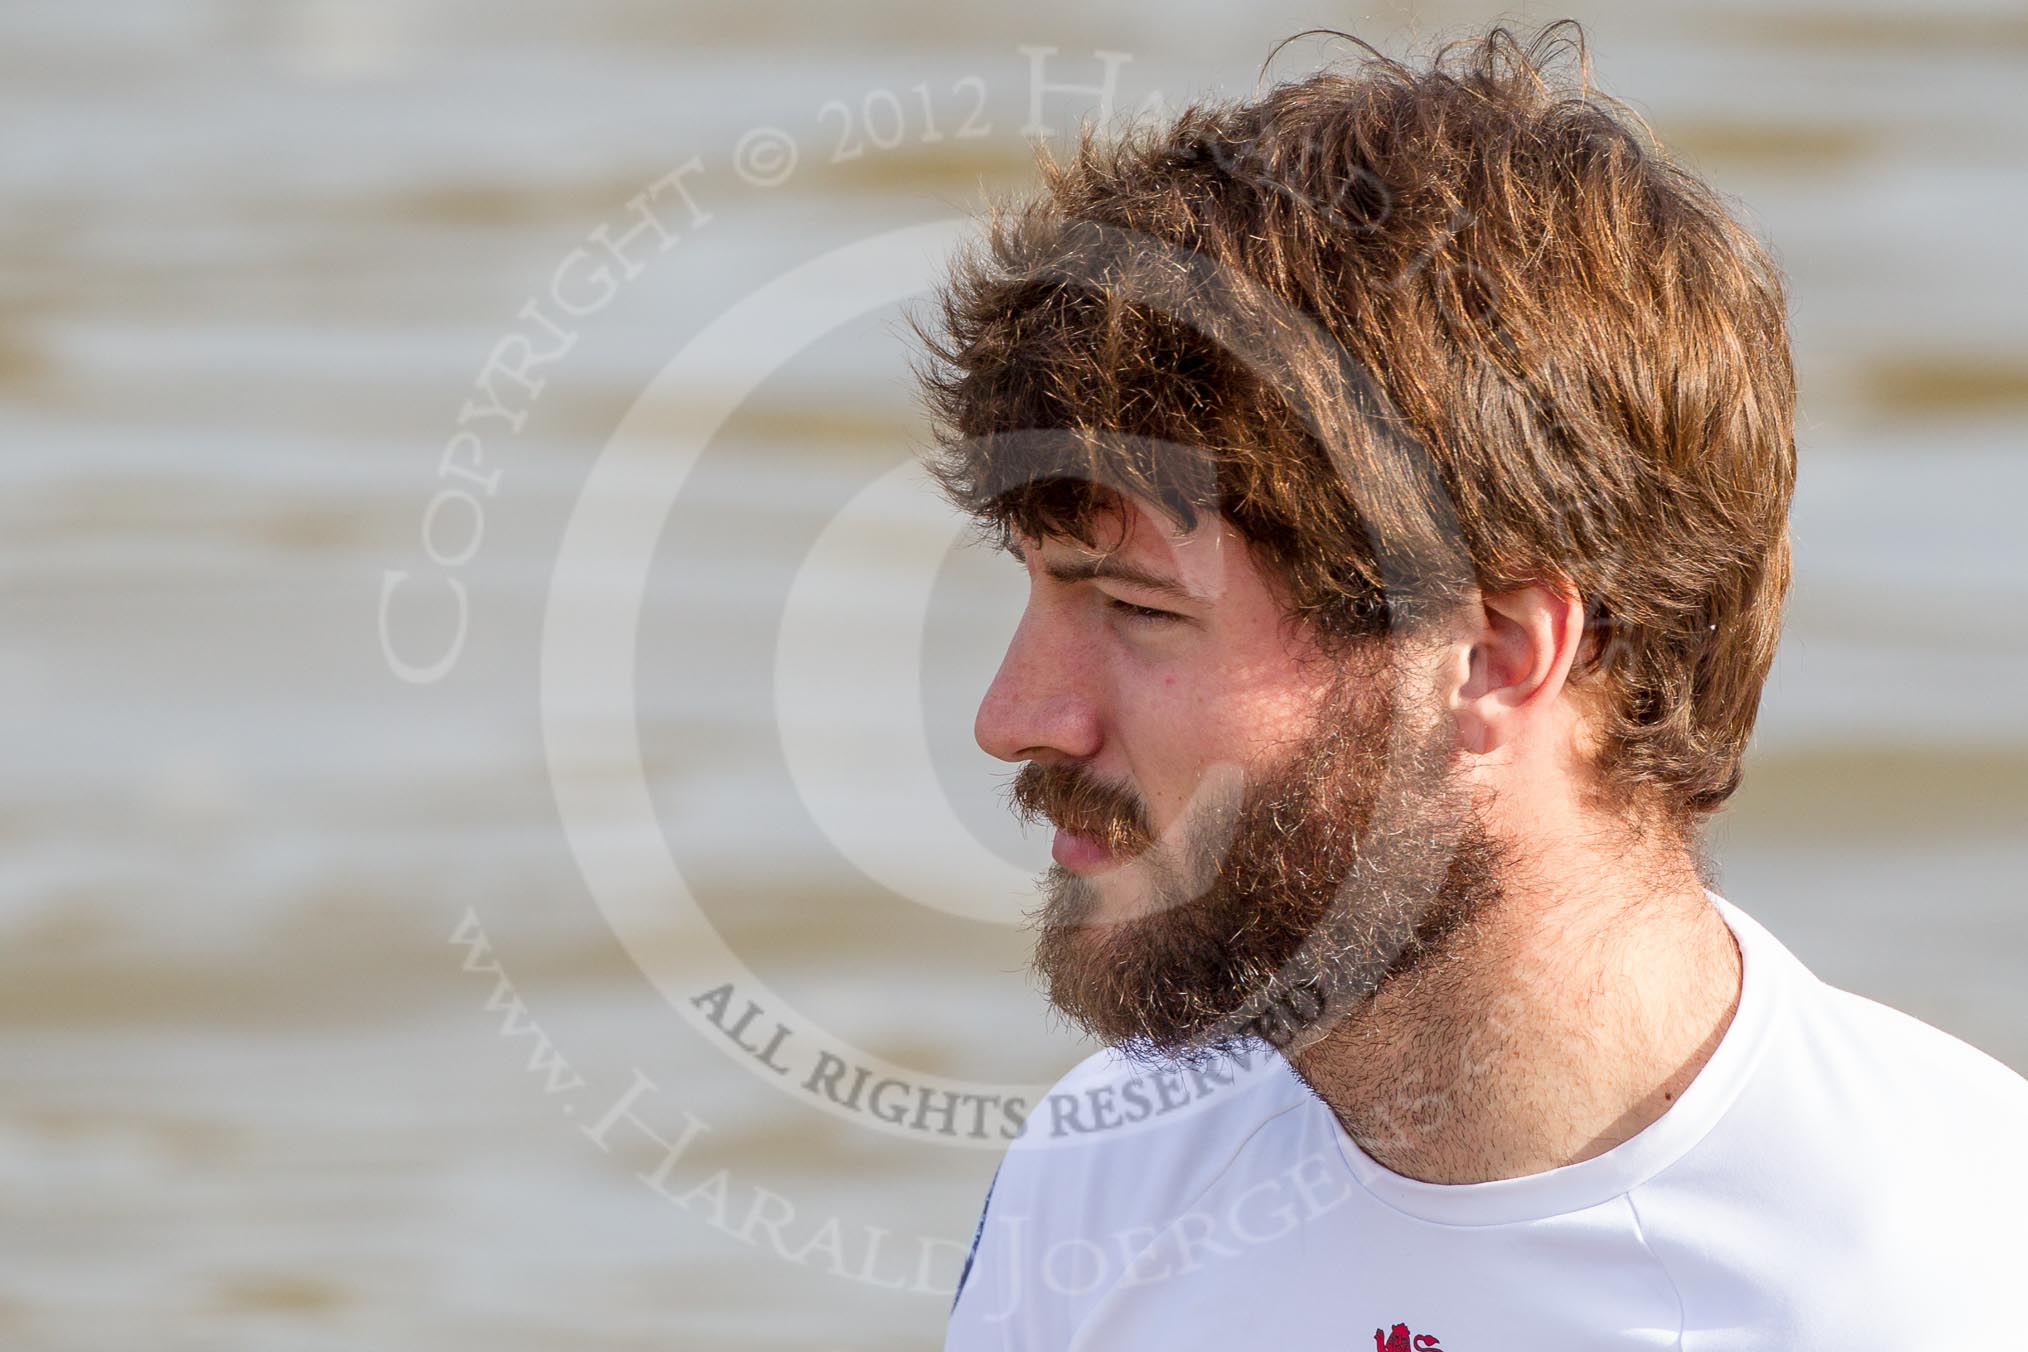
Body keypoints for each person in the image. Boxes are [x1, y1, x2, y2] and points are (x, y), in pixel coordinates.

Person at [906, 18, 2028, 1348]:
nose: (1013, 717)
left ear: (1496, 655)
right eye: (1038, 585)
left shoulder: (1939, 1282)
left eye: (1138, 607)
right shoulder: (1100, 1176)